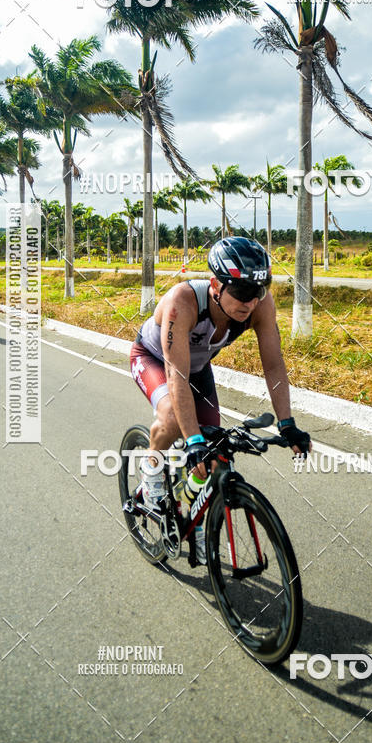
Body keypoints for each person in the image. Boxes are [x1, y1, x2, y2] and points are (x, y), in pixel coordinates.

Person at [130, 236, 311, 561]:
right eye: (241, 293)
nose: (250, 302)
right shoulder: (182, 302)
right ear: (215, 283)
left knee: (212, 455)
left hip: (197, 367)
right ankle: (151, 469)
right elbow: (176, 377)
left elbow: (273, 364)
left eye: (257, 292)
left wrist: (288, 424)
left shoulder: (260, 305)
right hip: (155, 359)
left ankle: (185, 507)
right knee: (173, 418)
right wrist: (193, 437)